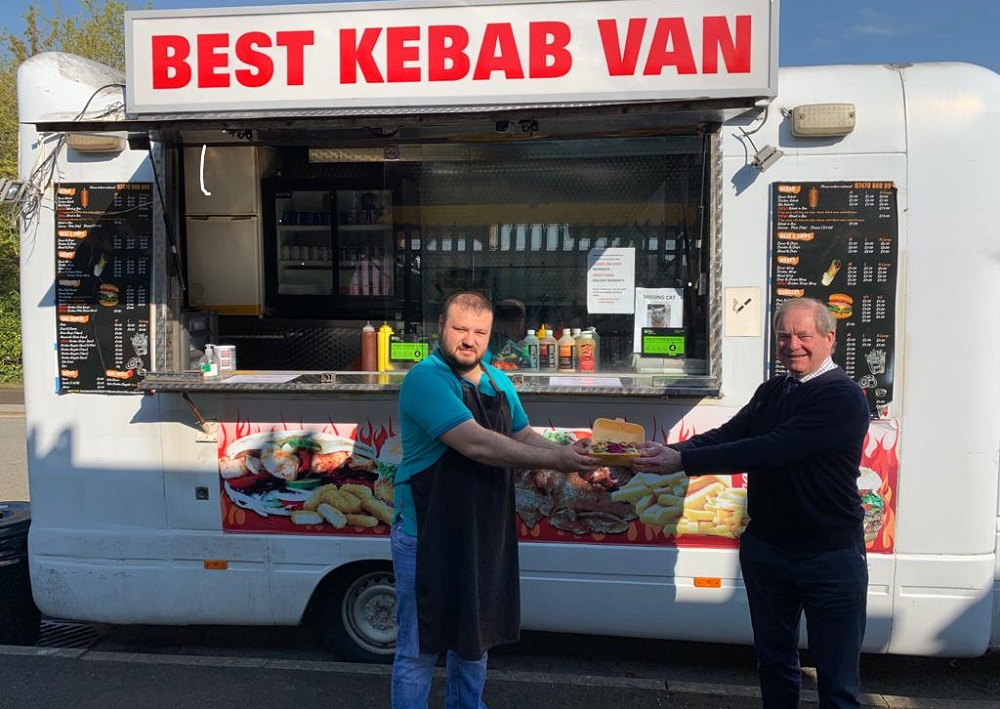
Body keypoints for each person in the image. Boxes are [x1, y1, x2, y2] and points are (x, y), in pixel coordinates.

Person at [633, 297, 870, 709]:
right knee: (774, 666)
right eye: (783, 336)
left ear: (830, 339)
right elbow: (730, 434)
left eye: (803, 335)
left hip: (830, 557)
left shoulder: (842, 397)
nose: (792, 344)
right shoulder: (773, 390)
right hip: (768, 551)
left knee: (838, 681)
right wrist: (664, 454)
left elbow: (771, 448)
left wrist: (683, 461)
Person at [391, 290, 600, 709]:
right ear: (441, 329)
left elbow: (521, 435)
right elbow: (476, 444)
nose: (469, 340)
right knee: (419, 649)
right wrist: (556, 457)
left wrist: (576, 462)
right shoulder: (425, 379)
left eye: (479, 332)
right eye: (460, 329)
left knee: (474, 642)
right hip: (426, 536)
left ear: (490, 335)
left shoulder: (497, 380)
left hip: (482, 533)